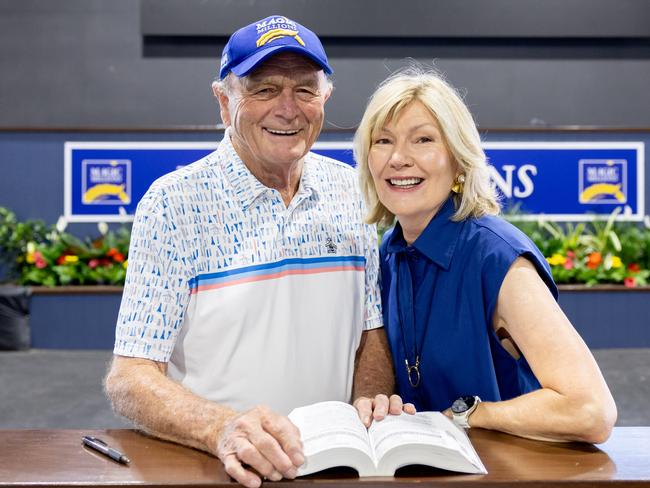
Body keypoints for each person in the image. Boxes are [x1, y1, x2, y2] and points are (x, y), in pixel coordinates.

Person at [104, 15, 407, 488]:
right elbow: (131, 376)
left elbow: (370, 329)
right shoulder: (173, 205)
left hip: (332, 467)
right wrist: (220, 429)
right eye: (264, 90)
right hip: (222, 468)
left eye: (305, 90)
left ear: (324, 98)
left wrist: (369, 401)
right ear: (224, 103)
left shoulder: (353, 191)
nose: (287, 109)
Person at [354, 66, 617, 443]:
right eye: (383, 141)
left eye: (423, 140)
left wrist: (471, 413)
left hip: (503, 476)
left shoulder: (496, 257)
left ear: (458, 160)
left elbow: (591, 410)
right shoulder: (389, 255)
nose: (398, 158)